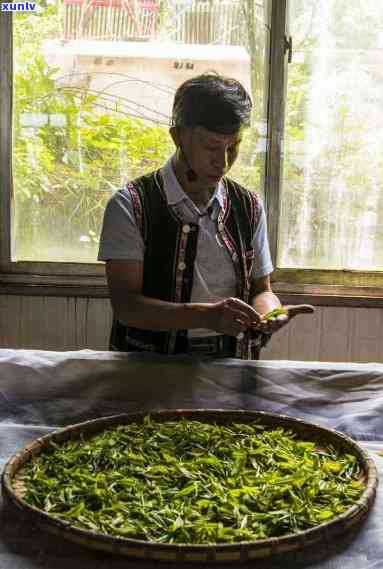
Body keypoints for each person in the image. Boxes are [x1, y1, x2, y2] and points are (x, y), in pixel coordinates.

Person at [98, 72, 313, 358]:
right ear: (177, 137)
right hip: (148, 370)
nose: (223, 162)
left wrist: (269, 312)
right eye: (211, 147)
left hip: (232, 362)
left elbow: (262, 289)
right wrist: (205, 316)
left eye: (233, 147)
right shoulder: (131, 205)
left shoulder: (248, 206)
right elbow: (127, 307)